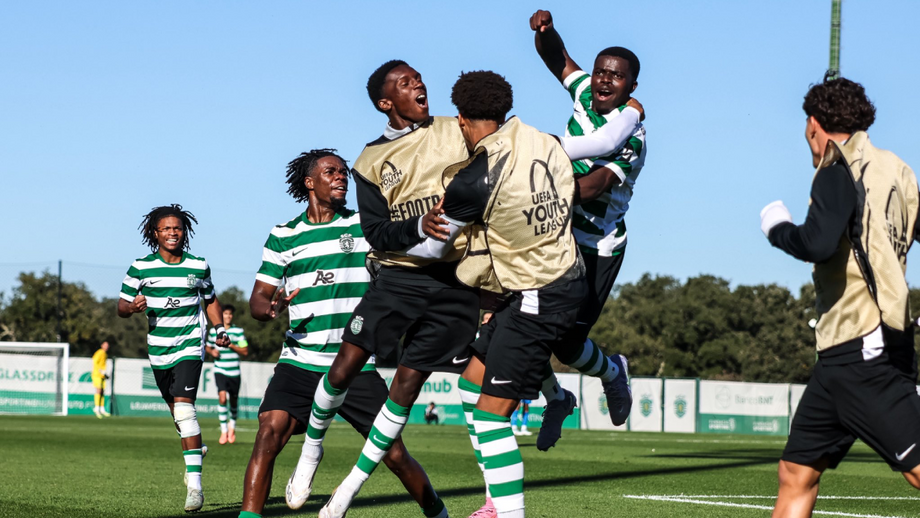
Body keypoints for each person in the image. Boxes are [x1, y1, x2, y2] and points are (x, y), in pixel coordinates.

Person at [295, 61, 478, 518]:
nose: (417, 84)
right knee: (343, 368)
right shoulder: (369, 160)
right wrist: (419, 224)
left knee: (407, 386)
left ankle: (348, 491)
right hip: (399, 278)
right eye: (404, 82)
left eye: (417, 77)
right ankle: (311, 449)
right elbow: (376, 232)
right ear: (385, 102)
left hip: (455, 282)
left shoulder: (457, 129)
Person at [408, 70, 588, 518]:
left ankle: (507, 513)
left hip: (538, 295)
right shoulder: (546, 140)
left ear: (464, 118)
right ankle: (495, 500)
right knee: (472, 381)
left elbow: (433, 246)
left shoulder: (473, 180)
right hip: (563, 274)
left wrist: (394, 239)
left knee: (491, 417)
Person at [237, 150, 447, 518]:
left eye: (343, 172)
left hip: (355, 364)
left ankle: (438, 513)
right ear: (309, 182)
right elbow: (258, 299)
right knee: (269, 432)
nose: (340, 177)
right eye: (330, 172)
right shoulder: (284, 235)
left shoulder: (365, 225)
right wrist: (270, 308)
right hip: (300, 361)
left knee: (394, 454)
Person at [760, 76, 920, 518]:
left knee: (917, 469)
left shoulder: (836, 167)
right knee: (796, 472)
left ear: (813, 124)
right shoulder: (897, 169)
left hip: (861, 349)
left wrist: (777, 227)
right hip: (844, 355)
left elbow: (817, 243)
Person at [527, 9, 646, 443]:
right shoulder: (583, 91)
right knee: (513, 319)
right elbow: (556, 58)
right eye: (599, 72)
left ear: (631, 88)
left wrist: (534, 184)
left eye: (615, 77)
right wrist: (546, 31)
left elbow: (593, 187)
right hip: (553, 234)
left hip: (597, 246)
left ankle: (613, 372)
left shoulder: (632, 136)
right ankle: (556, 398)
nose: (602, 81)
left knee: (567, 345)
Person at [118, 204, 230, 513]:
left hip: (190, 345)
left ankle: (195, 486)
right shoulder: (140, 267)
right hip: (159, 349)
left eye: (177, 228)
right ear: (155, 233)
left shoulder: (198, 265)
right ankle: (193, 449)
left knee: (184, 410)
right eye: (166, 228)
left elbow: (210, 300)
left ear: (185, 232)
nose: (172, 233)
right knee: (178, 415)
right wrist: (132, 308)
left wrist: (219, 327)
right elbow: (121, 306)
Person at [206, 304, 248, 445]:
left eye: (230, 314)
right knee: (222, 398)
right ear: (221, 315)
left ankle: (232, 428)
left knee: (234, 401)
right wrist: (212, 352)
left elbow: (245, 350)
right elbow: (207, 346)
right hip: (220, 369)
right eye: (225, 314)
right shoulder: (214, 332)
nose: (228, 316)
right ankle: (224, 431)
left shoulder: (238, 331)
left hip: (234, 371)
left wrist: (231, 345)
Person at [91, 341, 111, 418]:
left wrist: (105, 373)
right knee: (98, 389)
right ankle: (96, 408)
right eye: (105, 345)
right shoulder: (99, 352)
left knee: (102, 391)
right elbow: (94, 361)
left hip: (102, 375)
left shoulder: (105, 354)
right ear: (102, 345)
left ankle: (102, 409)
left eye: (107, 345)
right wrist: (100, 370)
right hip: (97, 375)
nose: (106, 347)